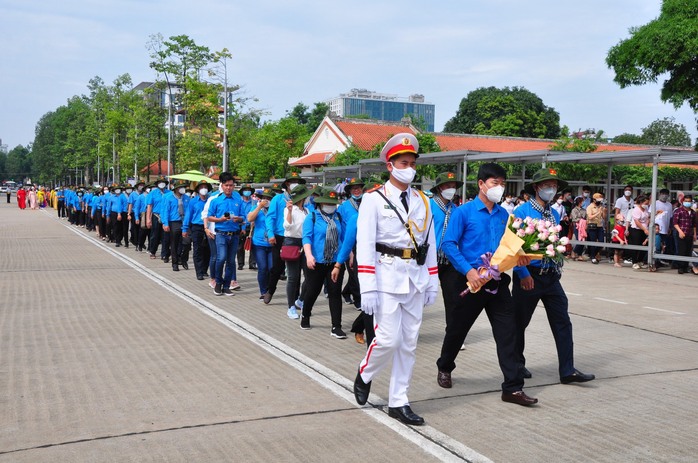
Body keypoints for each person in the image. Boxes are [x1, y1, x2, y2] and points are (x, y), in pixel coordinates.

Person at [353, 133, 438, 426]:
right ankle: (365, 373)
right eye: (404, 162)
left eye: (413, 163)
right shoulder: (373, 199)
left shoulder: (423, 201)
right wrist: (367, 287)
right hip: (385, 276)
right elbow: (364, 244)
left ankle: (398, 401)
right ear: (390, 165)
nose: (410, 168)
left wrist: (432, 278)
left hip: (414, 277)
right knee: (388, 340)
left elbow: (430, 243)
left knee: (409, 344)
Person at [438, 162, 537, 408]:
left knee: (508, 333)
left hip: (498, 283)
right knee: (457, 329)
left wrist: (523, 270)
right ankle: (445, 366)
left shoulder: (505, 215)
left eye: (503, 184)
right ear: (481, 184)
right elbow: (448, 244)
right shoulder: (464, 212)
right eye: (495, 183)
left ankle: (512, 388)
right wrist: (469, 272)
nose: (499, 188)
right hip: (471, 282)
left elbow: (512, 249)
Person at [513, 167, 595, 386]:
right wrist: (522, 274)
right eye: (548, 185)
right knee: (519, 323)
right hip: (529, 274)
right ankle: (516, 364)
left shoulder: (554, 213)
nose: (552, 189)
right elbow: (514, 248)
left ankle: (567, 370)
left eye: (555, 185)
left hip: (550, 276)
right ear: (537, 187)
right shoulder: (521, 212)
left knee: (562, 322)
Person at [299, 189, 346, 337]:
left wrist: (349, 256)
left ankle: (336, 326)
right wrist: (308, 256)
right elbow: (306, 238)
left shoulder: (338, 217)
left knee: (335, 292)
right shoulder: (312, 217)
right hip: (316, 261)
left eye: (332, 203)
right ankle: (305, 314)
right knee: (313, 290)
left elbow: (344, 238)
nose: (330, 206)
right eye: (327, 203)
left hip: (335, 261)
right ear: (320, 203)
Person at [266, 172, 307, 300]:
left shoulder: (303, 201)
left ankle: (295, 297)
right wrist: (270, 234)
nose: (294, 184)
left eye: (297, 182)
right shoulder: (278, 199)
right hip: (279, 237)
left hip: (296, 238)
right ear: (287, 184)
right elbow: (270, 217)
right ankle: (270, 290)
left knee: (296, 270)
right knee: (277, 267)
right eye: (292, 181)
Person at [207, 172, 244, 296]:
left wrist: (238, 219)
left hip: (234, 234)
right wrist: (220, 219)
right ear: (222, 186)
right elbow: (209, 217)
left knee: (231, 261)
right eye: (227, 185)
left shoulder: (238, 199)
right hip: (221, 233)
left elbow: (244, 218)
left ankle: (227, 285)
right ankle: (218, 282)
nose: (229, 188)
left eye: (231, 185)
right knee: (221, 257)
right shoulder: (216, 200)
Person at [282, 185, 312, 315]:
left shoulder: (307, 211)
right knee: (293, 277)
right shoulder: (290, 209)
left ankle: (300, 300)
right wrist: (289, 211)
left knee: (310, 276)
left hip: (305, 243)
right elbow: (287, 226)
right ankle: (290, 307)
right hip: (292, 243)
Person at [337, 178, 366, 309]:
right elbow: (342, 228)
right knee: (354, 273)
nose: (357, 190)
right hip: (351, 243)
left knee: (362, 272)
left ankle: (346, 291)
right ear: (349, 191)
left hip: (365, 241)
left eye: (359, 188)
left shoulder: (367, 202)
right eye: (354, 188)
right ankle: (358, 299)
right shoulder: (344, 207)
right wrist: (348, 250)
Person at [247, 187, 276, 301]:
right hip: (259, 243)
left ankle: (269, 289)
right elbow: (249, 218)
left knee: (271, 268)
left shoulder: (275, 210)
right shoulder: (256, 207)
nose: (266, 200)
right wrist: (259, 207)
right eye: (264, 198)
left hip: (272, 243)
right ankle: (263, 291)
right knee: (262, 267)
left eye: (268, 198)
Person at [183, 181, 212, 280]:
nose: (204, 189)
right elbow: (188, 215)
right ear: (198, 190)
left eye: (205, 187)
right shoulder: (193, 201)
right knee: (198, 250)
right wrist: (185, 228)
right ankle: (199, 272)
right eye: (201, 187)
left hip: (209, 227)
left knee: (208, 250)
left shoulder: (211, 200)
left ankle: (204, 269)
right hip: (197, 227)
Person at [161, 180, 190, 272]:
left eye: (184, 187)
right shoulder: (168, 197)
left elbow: (189, 210)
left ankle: (183, 259)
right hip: (174, 222)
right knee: (174, 243)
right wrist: (165, 223)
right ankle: (175, 262)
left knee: (187, 243)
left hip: (184, 222)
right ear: (176, 189)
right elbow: (165, 211)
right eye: (181, 187)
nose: (183, 189)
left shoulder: (186, 198)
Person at [146, 178, 171, 261]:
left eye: (163, 182)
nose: (162, 184)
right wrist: (148, 219)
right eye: (160, 182)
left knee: (165, 236)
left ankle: (164, 253)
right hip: (156, 216)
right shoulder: (153, 193)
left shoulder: (169, 193)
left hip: (166, 216)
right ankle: (152, 251)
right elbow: (149, 206)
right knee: (155, 235)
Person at [673, 194, 696, 274]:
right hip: (681, 233)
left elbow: (694, 224)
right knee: (681, 251)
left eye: (689, 201)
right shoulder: (678, 211)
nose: (687, 203)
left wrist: (695, 234)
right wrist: (680, 231)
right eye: (686, 201)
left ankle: (686, 267)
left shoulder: (693, 212)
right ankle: (681, 267)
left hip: (690, 234)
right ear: (683, 201)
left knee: (688, 251)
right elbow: (675, 223)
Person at [237, 184, 257, 271]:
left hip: (252, 226)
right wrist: (243, 228)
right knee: (240, 246)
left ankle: (252, 263)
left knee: (253, 245)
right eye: (245, 189)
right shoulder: (239, 202)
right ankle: (240, 263)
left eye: (249, 190)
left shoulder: (254, 202)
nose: (247, 191)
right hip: (241, 226)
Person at [629, 195, 650, 270]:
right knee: (636, 245)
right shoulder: (636, 210)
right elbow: (637, 222)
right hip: (636, 229)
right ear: (641, 202)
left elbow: (647, 217)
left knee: (644, 244)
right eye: (646, 203)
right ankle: (634, 261)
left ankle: (640, 260)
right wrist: (644, 229)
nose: (647, 205)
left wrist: (647, 227)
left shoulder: (646, 208)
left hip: (644, 229)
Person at [652, 188, 673, 265]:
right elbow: (650, 215)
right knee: (656, 246)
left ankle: (659, 260)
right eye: (662, 194)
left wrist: (669, 227)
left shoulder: (669, 205)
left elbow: (670, 217)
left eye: (666, 194)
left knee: (663, 246)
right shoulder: (655, 203)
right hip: (657, 229)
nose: (664, 196)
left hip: (665, 229)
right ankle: (654, 262)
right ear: (659, 194)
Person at [585, 192, 607, 264]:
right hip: (592, 226)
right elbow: (590, 217)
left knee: (601, 242)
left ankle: (593, 254)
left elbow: (603, 218)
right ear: (594, 200)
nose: (599, 202)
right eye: (598, 200)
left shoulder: (600, 206)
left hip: (600, 226)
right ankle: (593, 257)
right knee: (593, 242)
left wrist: (603, 212)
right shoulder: (590, 207)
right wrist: (598, 212)